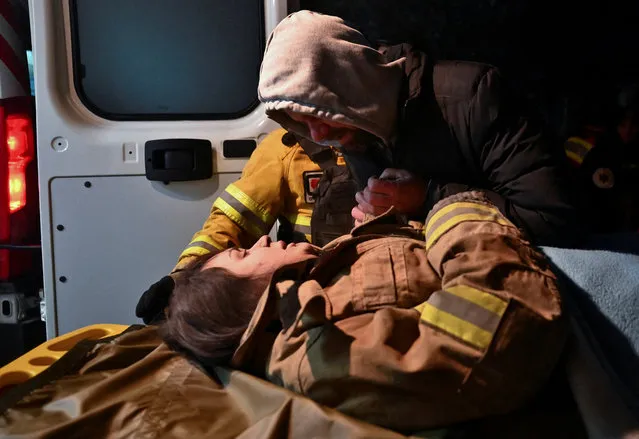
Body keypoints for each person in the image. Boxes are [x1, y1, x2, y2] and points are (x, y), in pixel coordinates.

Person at [161, 191, 568, 432]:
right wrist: (456, 215)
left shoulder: (310, 293)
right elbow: (499, 339)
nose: (261, 241)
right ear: (238, 303)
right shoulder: (320, 354)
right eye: (243, 253)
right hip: (567, 324)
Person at [256, 10, 579, 246]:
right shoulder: (353, 128)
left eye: (320, 115)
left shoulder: (474, 96)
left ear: (352, 87)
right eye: (302, 123)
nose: (318, 136)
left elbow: (553, 220)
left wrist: (428, 197)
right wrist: (377, 217)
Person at [135, 128, 359, 324]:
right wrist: (186, 277)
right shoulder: (284, 147)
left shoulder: (391, 147)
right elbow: (233, 220)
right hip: (299, 293)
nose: (265, 241)